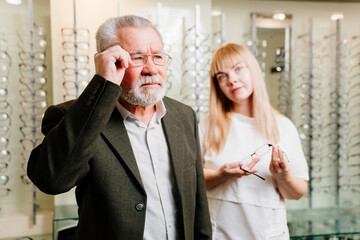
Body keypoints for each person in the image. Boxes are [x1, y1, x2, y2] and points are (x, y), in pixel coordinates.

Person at [27, 15, 212, 240]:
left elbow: (198, 204)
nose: (151, 68)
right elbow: (52, 180)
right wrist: (103, 83)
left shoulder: (183, 116)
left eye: (158, 56)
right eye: (138, 58)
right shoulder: (77, 116)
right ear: (111, 61)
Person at [199, 43, 309, 240]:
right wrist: (221, 175)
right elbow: (192, 181)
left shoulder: (283, 127)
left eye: (238, 68)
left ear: (253, 70)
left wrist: (283, 176)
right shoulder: (207, 125)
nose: (232, 80)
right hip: (219, 234)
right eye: (222, 76)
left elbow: (297, 193)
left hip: (268, 234)